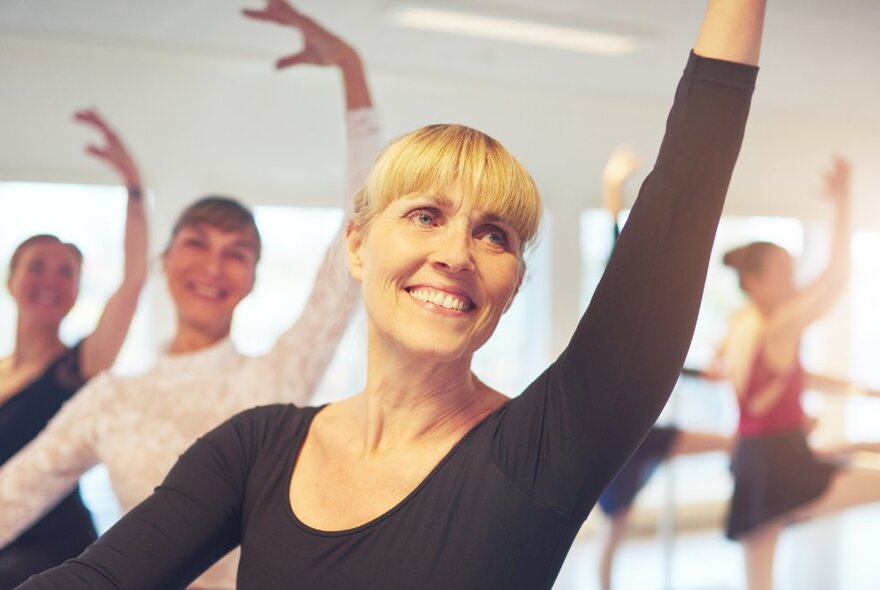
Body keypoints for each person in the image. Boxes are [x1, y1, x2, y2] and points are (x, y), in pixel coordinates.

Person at [15, 1, 766, 588]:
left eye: (495, 235)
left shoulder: (544, 450)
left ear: (514, 284)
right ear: (356, 244)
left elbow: (681, 202)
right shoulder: (254, 448)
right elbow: (101, 578)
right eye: (426, 216)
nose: (456, 254)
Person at [0, 3, 380, 589]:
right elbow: (11, 498)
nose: (212, 264)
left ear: (251, 277)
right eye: (197, 243)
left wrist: (352, 69)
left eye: (236, 252)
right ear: (164, 260)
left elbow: (365, 226)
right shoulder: (110, 401)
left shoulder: (278, 374)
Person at [716, 156, 880, 590]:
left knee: (759, 576)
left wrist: (861, 390)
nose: (794, 284)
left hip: (753, 456)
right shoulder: (780, 324)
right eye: (785, 274)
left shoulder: (740, 324)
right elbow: (837, 277)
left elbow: (784, 378)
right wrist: (844, 203)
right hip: (781, 460)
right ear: (754, 281)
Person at [0, 110, 149, 588]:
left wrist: (133, 185)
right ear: (12, 280)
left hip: (57, 558)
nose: (50, 279)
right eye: (38, 265)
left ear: (77, 290)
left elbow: (134, 278)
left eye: (65, 271)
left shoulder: (82, 364)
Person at [594, 147, 732, 590]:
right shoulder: (621, 300)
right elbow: (616, 240)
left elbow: (663, 362)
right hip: (616, 438)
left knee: (731, 443)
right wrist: (613, 185)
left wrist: (701, 375)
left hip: (646, 433)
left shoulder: (659, 306)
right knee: (614, 528)